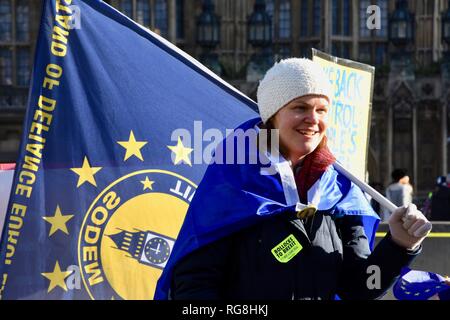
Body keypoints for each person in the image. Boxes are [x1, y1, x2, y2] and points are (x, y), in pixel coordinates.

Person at [154, 58, 432, 300]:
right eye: (300, 107)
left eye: (322, 110)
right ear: (273, 115)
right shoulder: (233, 180)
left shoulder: (340, 190)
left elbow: (358, 287)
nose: (313, 119)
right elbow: (194, 284)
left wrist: (399, 245)